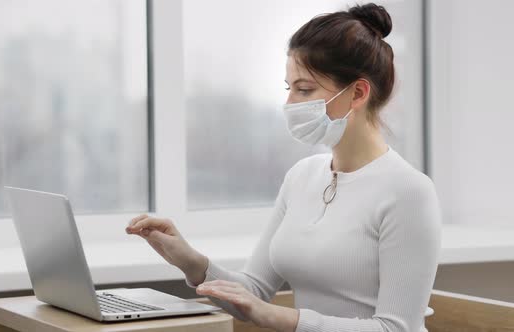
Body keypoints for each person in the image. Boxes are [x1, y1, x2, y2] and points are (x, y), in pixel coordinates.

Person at [125, 3, 442, 331]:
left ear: (358, 93)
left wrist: (280, 317)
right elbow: (253, 292)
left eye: (304, 89)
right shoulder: (302, 177)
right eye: (288, 88)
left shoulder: (408, 192)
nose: (289, 104)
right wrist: (190, 262)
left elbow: (396, 328)